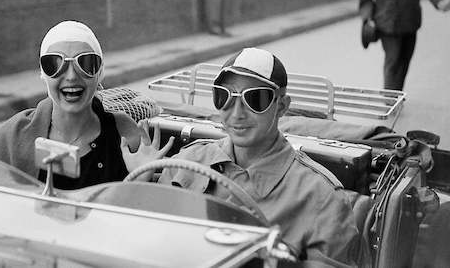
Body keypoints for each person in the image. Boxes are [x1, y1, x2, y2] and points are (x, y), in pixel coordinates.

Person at [125, 48, 361, 266]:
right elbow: (150, 243)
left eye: (255, 99)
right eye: (224, 97)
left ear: (281, 106)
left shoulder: (322, 198)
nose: (236, 114)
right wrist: (141, 181)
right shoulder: (188, 162)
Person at [0, 20, 173, 190]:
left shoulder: (125, 134)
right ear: (43, 74)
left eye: (86, 63)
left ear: (99, 73)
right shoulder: (13, 136)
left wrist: (139, 180)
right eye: (54, 64)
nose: (71, 76)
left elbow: (133, 218)